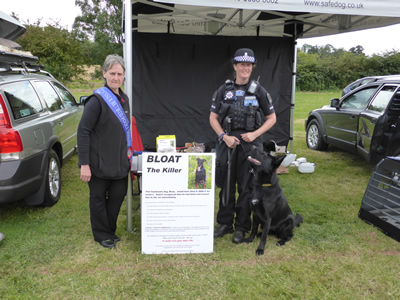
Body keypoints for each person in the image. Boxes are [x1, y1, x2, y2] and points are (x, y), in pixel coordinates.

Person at [209, 48, 277, 244]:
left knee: (247, 188)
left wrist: (255, 134)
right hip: (228, 144)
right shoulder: (223, 90)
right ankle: (224, 223)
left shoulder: (260, 91)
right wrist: (224, 136)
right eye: (241, 64)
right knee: (226, 186)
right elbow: (213, 118)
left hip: (251, 146)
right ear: (235, 67)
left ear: (251, 67)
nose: (245, 68)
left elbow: (272, 118)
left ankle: (242, 227)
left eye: (248, 65)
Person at [78, 54, 132, 249]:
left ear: (124, 76)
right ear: (104, 73)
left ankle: (109, 230)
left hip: (118, 162)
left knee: (117, 196)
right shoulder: (96, 100)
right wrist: (84, 164)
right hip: (98, 162)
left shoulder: (124, 99)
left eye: (119, 74)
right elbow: (83, 132)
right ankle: (101, 234)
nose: (116, 77)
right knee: (98, 199)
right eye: (112, 73)